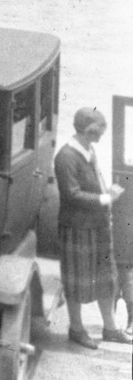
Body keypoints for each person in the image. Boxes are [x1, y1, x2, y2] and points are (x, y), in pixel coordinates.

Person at [56, 106, 128, 347]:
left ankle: (111, 328)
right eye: (96, 134)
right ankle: (76, 329)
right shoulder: (66, 157)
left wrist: (106, 195)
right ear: (86, 132)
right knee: (77, 282)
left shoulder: (89, 150)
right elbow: (71, 195)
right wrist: (106, 199)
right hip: (77, 228)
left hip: (97, 226)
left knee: (106, 279)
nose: (99, 139)